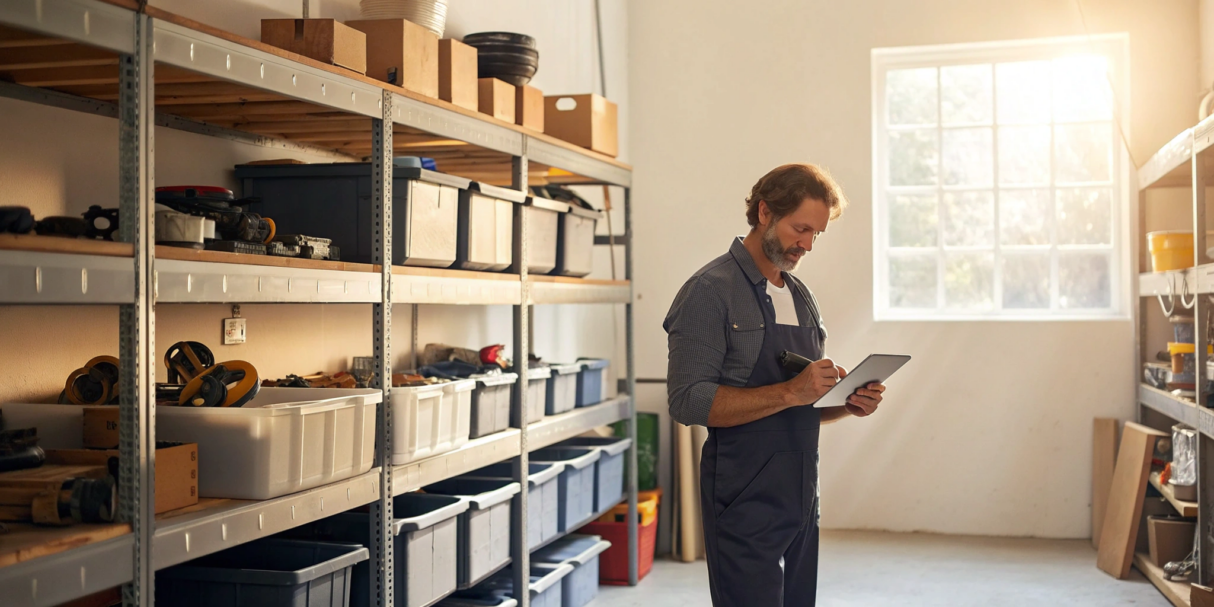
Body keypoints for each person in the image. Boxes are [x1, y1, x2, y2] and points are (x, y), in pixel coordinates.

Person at [663, 163, 888, 606]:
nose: (806, 244)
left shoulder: (802, 296)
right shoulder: (710, 291)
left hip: (801, 494)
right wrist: (790, 392)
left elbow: (802, 405)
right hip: (742, 494)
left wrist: (847, 403)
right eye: (799, 228)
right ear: (764, 212)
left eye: (816, 235)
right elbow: (687, 401)